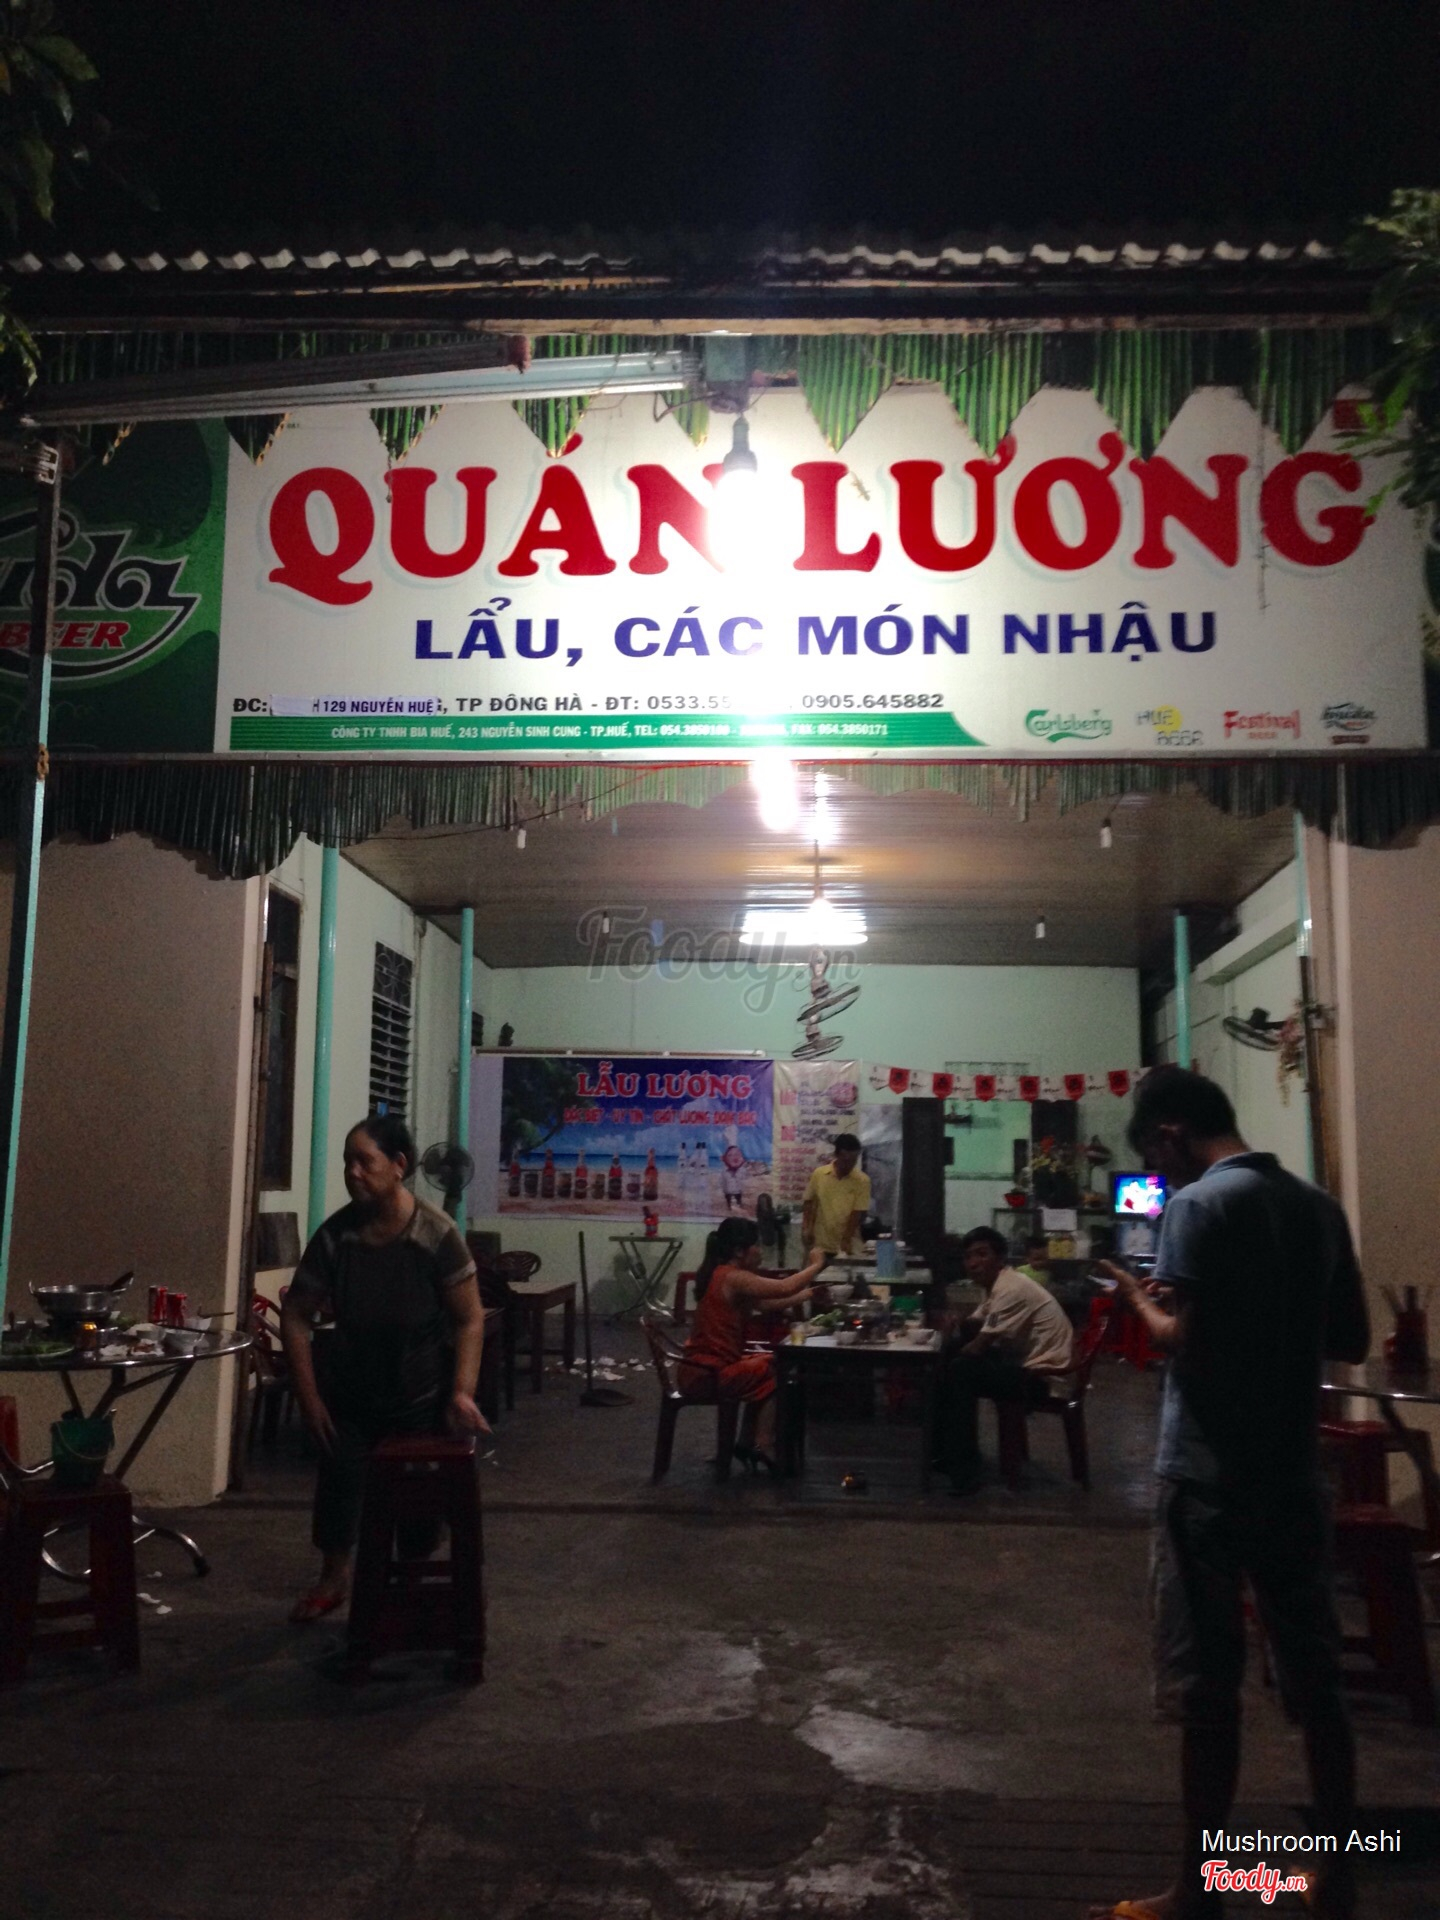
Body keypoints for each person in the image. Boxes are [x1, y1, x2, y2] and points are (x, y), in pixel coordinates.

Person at [1089, 1066, 1369, 1920]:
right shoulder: (1318, 1208)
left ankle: (1200, 1891)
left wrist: (1138, 1298)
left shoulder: (1198, 1207)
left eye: (1156, 1158)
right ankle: (1335, 1880)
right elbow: (1351, 1337)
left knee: (1209, 1692)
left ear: (1169, 1134)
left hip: (1209, 1479)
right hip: (1294, 1473)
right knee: (1316, 1684)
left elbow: (1192, 1346)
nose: (1160, 1176)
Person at [279, 1113, 489, 1623]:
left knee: (417, 1513)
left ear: (399, 1165)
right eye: (346, 1162)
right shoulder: (336, 1236)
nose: (352, 1172)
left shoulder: (435, 1234)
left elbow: (469, 1319)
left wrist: (461, 1392)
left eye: (364, 1161)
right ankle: (334, 1580)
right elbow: (296, 1316)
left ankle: (409, 1584)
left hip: (419, 1399)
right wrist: (309, 1399)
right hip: (350, 1395)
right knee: (339, 1492)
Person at [680, 1217, 827, 1472]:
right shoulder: (734, 1277)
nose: (760, 1251)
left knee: (767, 1365)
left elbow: (766, 1304)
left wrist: (809, 1294)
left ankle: (746, 1442)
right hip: (708, 1374)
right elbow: (784, 1287)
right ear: (739, 1251)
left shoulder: (723, 1275)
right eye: (755, 1245)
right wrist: (816, 1265)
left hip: (702, 1369)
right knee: (776, 1370)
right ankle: (762, 1444)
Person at [934, 1225, 1074, 1493]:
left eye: (982, 1254)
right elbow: (972, 1325)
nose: (973, 1263)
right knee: (951, 1362)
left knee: (960, 1369)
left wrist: (947, 1350)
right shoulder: (997, 1287)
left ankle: (963, 1471)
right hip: (1024, 1367)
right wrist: (954, 1325)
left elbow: (978, 1345)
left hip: (1044, 1379)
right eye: (968, 1256)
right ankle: (947, 1457)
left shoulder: (1011, 1289)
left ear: (1000, 1259)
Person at [801, 1133, 871, 1255]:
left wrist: (846, 1239)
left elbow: (857, 1213)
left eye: (854, 1161)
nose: (850, 1165)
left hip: (847, 1244)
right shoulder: (819, 1174)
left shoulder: (862, 1181)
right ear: (836, 1155)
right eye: (846, 1161)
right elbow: (809, 1202)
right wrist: (806, 1228)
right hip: (820, 1244)